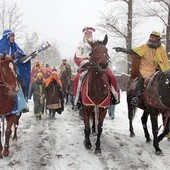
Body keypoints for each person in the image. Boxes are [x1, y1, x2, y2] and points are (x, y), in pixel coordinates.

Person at [114, 31, 170, 106]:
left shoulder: (161, 49)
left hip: (157, 70)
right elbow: (133, 51)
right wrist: (122, 49)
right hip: (145, 69)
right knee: (141, 79)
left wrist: (165, 70)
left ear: (158, 39)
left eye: (153, 37)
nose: (151, 38)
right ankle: (136, 97)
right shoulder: (145, 47)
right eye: (150, 37)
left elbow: (164, 62)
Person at [73, 27, 120, 107]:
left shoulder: (97, 44)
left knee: (111, 76)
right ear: (84, 35)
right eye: (87, 34)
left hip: (99, 65)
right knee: (78, 77)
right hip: (86, 66)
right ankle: (77, 98)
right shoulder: (81, 46)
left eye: (90, 33)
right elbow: (76, 57)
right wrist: (84, 62)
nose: (89, 35)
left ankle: (114, 96)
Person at [0, 29, 35, 113]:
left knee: (20, 84)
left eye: (14, 36)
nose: (13, 37)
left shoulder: (15, 47)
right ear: (7, 37)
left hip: (11, 70)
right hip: (1, 70)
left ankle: (21, 105)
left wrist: (29, 57)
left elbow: (21, 59)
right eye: (12, 36)